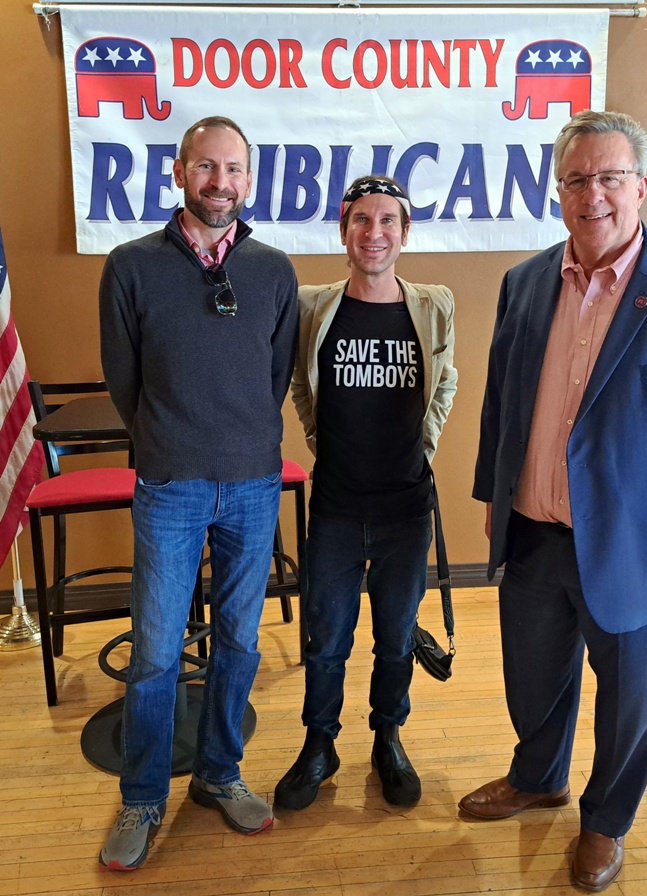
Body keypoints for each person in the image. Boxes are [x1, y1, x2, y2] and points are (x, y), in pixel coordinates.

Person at [460, 110, 647, 891]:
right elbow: (502, 403)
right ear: (557, 190)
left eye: (608, 177)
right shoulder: (525, 283)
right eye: (575, 179)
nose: (590, 194)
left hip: (645, 548)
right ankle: (538, 778)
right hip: (533, 532)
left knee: (631, 701)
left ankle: (605, 821)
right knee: (532, 678)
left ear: (640, 186)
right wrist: (494, 494)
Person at [98, 116, 298, 870]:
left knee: (239, 643)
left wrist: (241, 440)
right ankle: (143, 797)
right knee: (155, 652)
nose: (221, 182)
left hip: (252, 483)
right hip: (171, 484)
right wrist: (169, 443)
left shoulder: (274, 271)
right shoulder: (130, 266)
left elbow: (274, 377)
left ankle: (219, 771)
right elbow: (125, 379)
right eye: (206, 167)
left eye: (234, 168)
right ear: (180, 172)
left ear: (249, 178)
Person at [274, 175, 458, 811]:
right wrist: (320, 440)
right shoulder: (312, 305)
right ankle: (319, 745)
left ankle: (388, 738)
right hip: (336, 508)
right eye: (361, 220)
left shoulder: (434, 304)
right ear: (343, 229)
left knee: (396, 638)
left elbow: (446, 380)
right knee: (326, 640)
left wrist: (424, 446)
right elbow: (301, 384)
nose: (373, 233)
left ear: (405, 233)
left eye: (387, 221)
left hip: (406, 509)